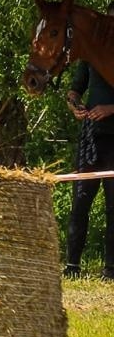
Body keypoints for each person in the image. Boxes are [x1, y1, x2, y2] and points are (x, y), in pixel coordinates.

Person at [65, 59, 114, 277]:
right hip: (91, 138)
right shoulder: (92, 54)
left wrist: (111, 108)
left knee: (113, 207)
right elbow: (74, 91)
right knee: (80, 201)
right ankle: (72, 266)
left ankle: (111, 268)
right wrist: (74, 105)